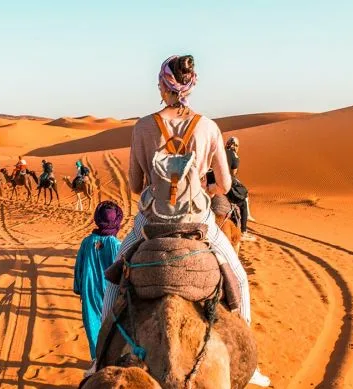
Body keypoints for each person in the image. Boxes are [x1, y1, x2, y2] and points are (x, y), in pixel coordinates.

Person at [99, 54, 270, 387]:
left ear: (163, 86)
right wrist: (200, 184)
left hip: (150, 225)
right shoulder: (209, 127)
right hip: (199, 225)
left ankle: (97, 358)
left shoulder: (143, 126)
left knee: (112, 279)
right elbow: (223, 184)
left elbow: (135, 185)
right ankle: (251, 371)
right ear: (190, 87)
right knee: (238, 279)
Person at [74, 201, 123, 375]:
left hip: (89, 290)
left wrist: (79, 287)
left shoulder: (87, 242)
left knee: (92, 323)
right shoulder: (117, 245)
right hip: (112, 292)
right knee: (112, 325)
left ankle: (97, 360)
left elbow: (79, 266)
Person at [225, 137, 255, 242]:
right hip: (225, 182)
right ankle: (243, 231)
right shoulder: (234, 156)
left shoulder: (221, 151)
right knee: (243, 199)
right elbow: (233, 173)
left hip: (209, 180)